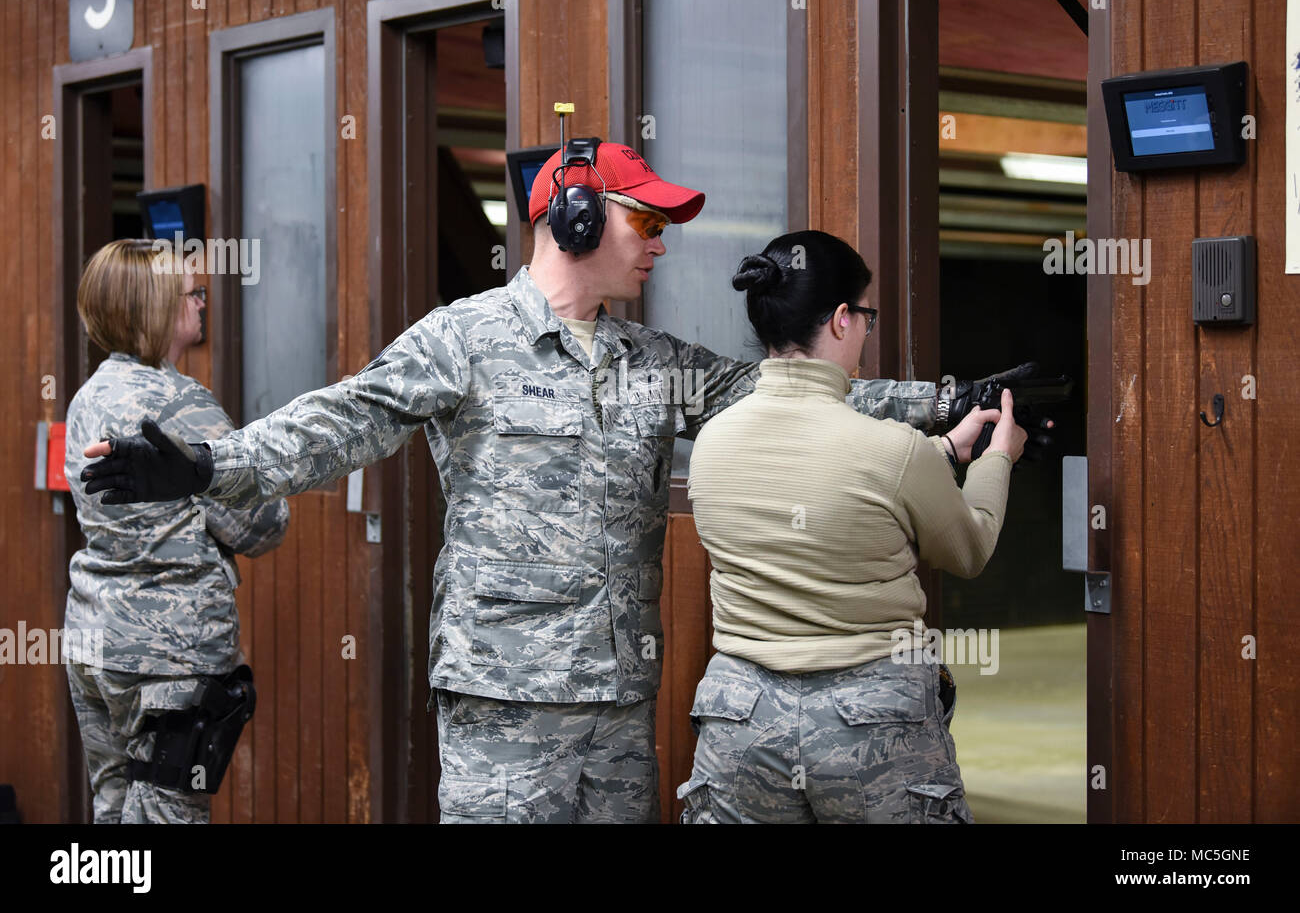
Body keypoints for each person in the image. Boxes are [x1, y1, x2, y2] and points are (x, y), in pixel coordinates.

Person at [80, 141, 1026, 823]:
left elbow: (789, 387)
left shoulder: (649, 357)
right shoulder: (467, 337)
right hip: (505, 707)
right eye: (644, 218)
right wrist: (213, 462)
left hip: (619, 705)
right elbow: (345, 417)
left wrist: (949, 400)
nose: (660, 241)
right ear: (573, 216)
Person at [676, 231, 1028, 823]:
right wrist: (998, 458)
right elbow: (967, 550)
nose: (866, 329)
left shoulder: (711, 443)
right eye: (866, 316)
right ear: (841, 319)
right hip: (871, 720)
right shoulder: (893, 449)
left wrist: (940, 451)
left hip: (739, 720)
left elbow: (829, 483)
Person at [63, 239, 289, 823]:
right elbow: (263, 525)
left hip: (95, 638)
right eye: (192, 294)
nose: (201, 305)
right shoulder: (180, 403)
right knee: (169, 814)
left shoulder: (88, 396)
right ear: (155, 308)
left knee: (112, 807)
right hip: (170, 653)